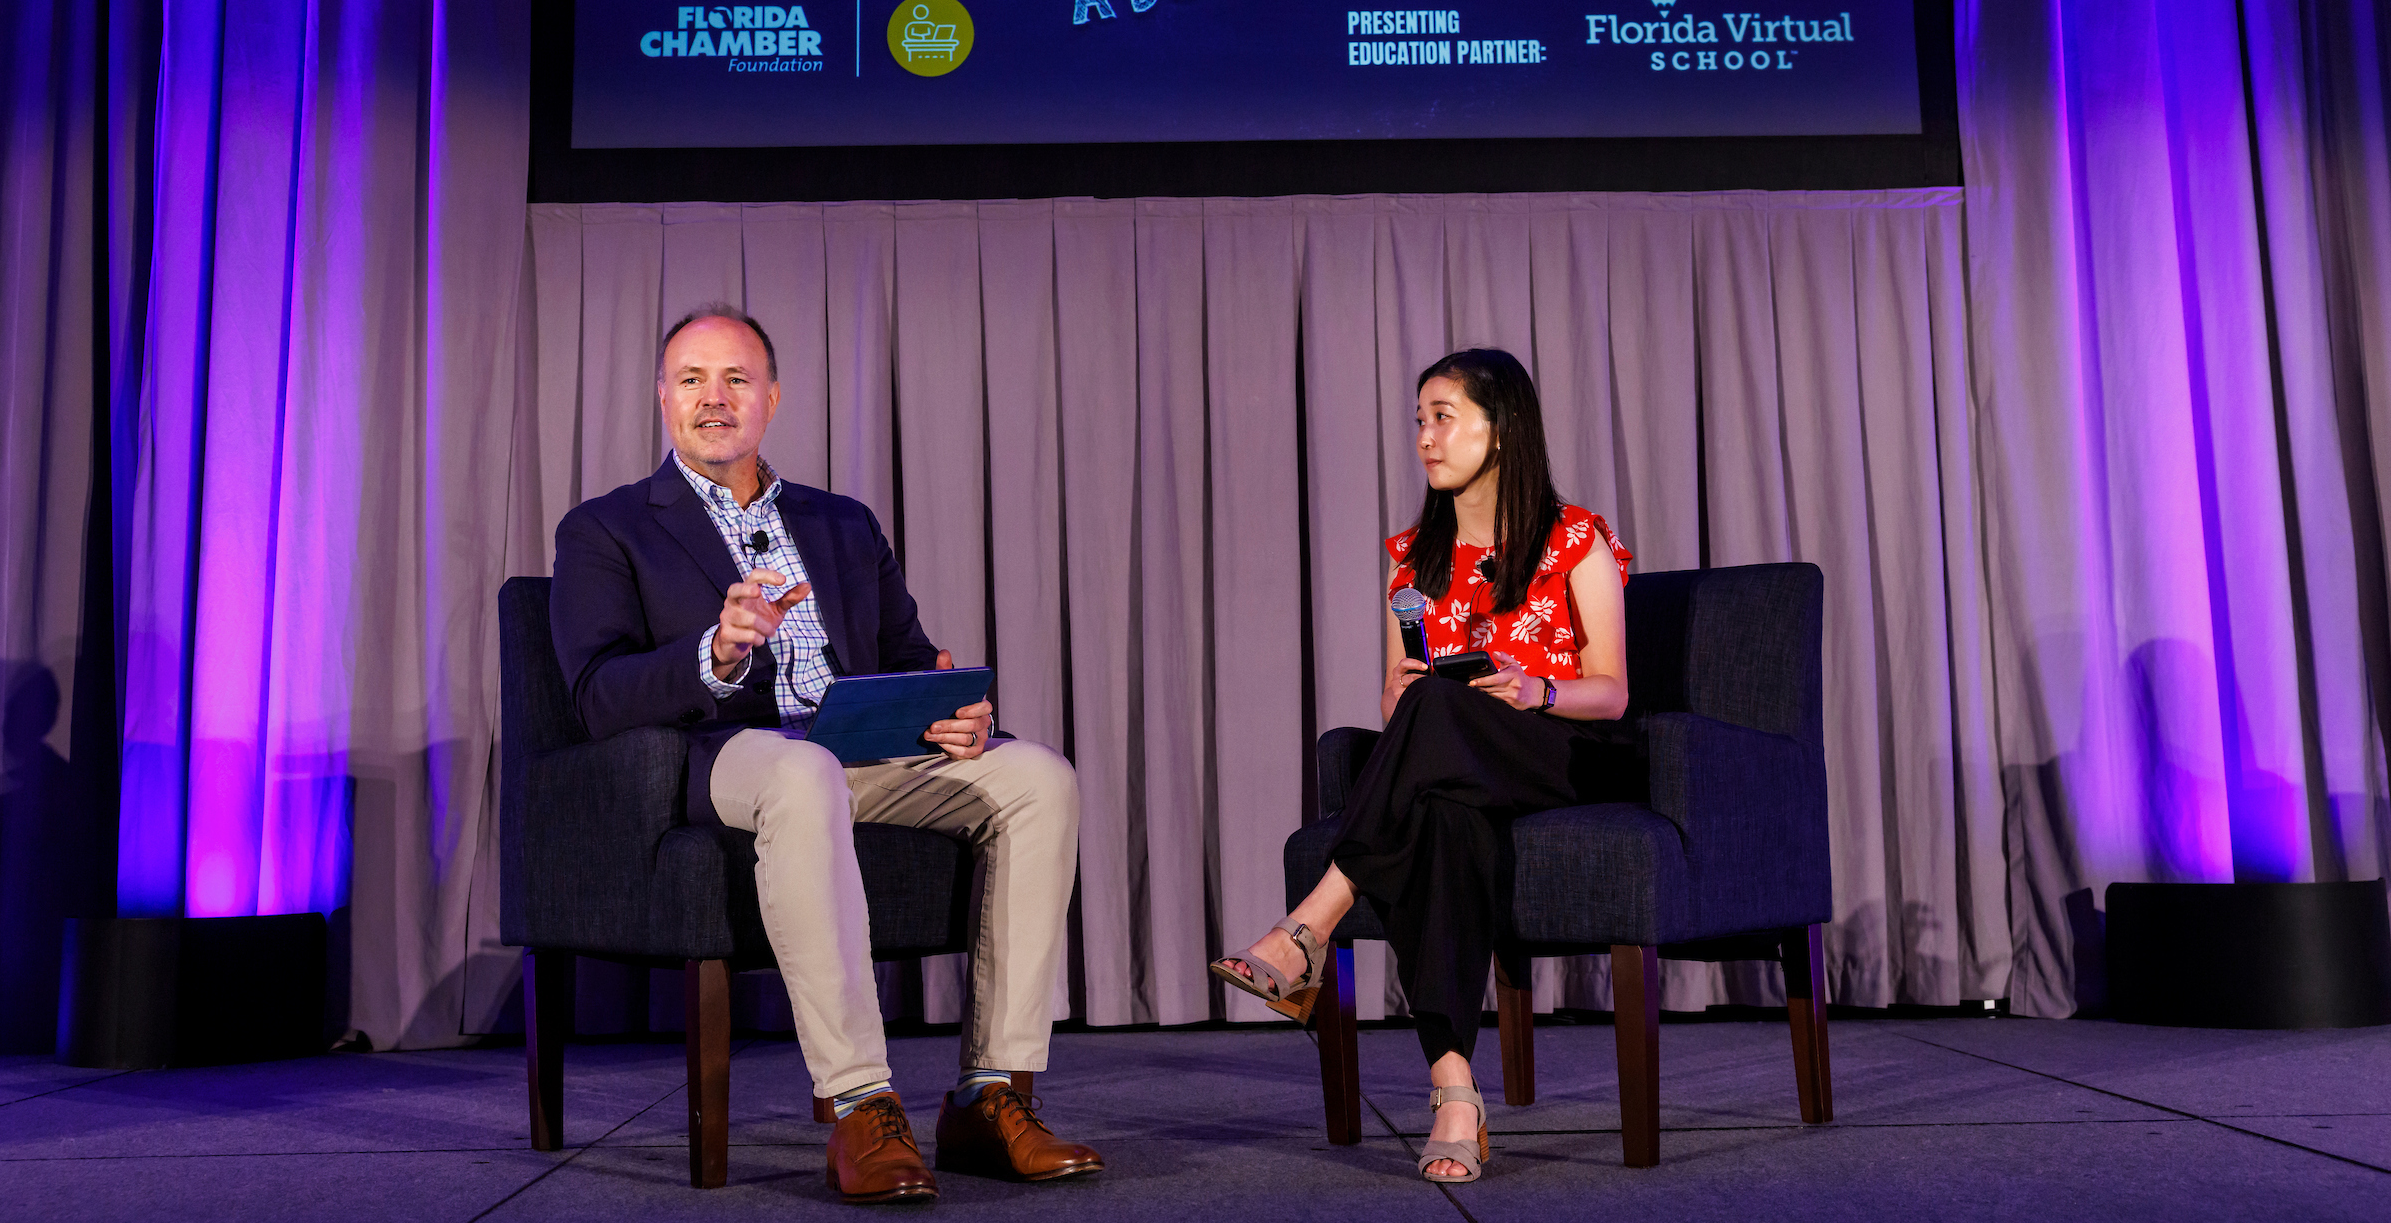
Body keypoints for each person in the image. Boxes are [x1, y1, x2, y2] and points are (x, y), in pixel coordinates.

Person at [551, 304, 1103, 1203]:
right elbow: (595, 696)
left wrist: (948, 707)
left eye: (736, 379)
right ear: (662, 399)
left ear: (773, 395)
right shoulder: (608, 528)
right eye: (691, 379)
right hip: (722, 753)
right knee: (802, 772)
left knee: (1038, 776)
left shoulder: (841, 522)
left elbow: (909, 654)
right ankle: (860, 1103)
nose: (714, 398)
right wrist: (717, 652)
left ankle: (991, 1096)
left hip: (864, 749)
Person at [1211, 348, 1631, 1184]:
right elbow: (1401, 710)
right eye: (1419, 421)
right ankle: (1455, 1092)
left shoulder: (1574, 537)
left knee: (1444, 714)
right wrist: (1399, 694)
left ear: (1500, 429)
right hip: (1453, 761)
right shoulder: (1412, 557)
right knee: (1439, 806)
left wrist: (1536, 688)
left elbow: (1614, 693)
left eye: (1443, 417)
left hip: (1557, 746)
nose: (1425, 439)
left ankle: (1309, 926)